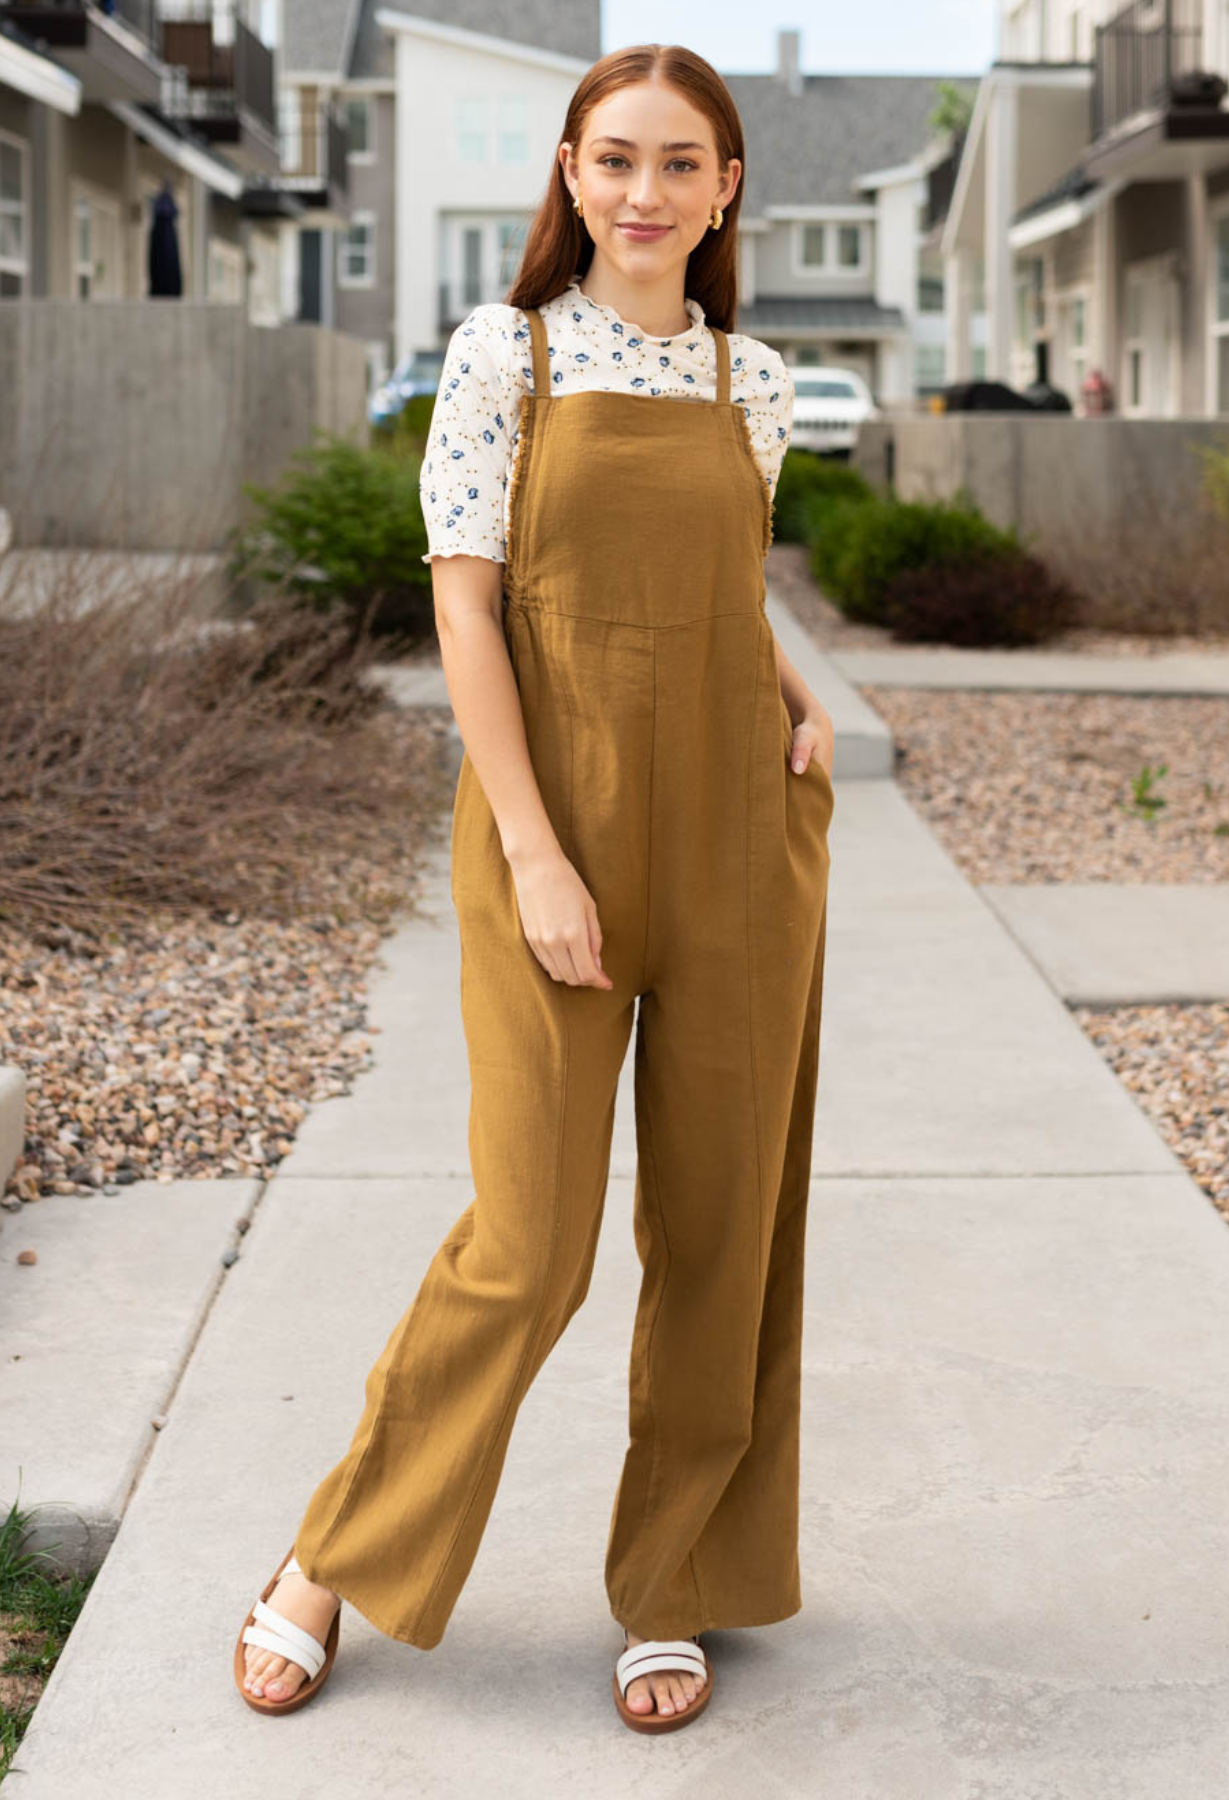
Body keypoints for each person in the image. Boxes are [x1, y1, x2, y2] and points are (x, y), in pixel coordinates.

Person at [234, 41, 833, 1735]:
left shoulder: (754, 379)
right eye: (617, 159)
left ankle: (674, 1588)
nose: (647, 193)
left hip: (738, 840)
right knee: (531, 1243)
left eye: (683, 164)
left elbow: (729, 588)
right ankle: (327, 1559)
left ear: (726, 190)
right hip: (552, 846)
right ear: (569, 175)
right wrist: (538, 850)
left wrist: (807, 710)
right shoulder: (505, 355)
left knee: (723, 1234)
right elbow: (467, 607)